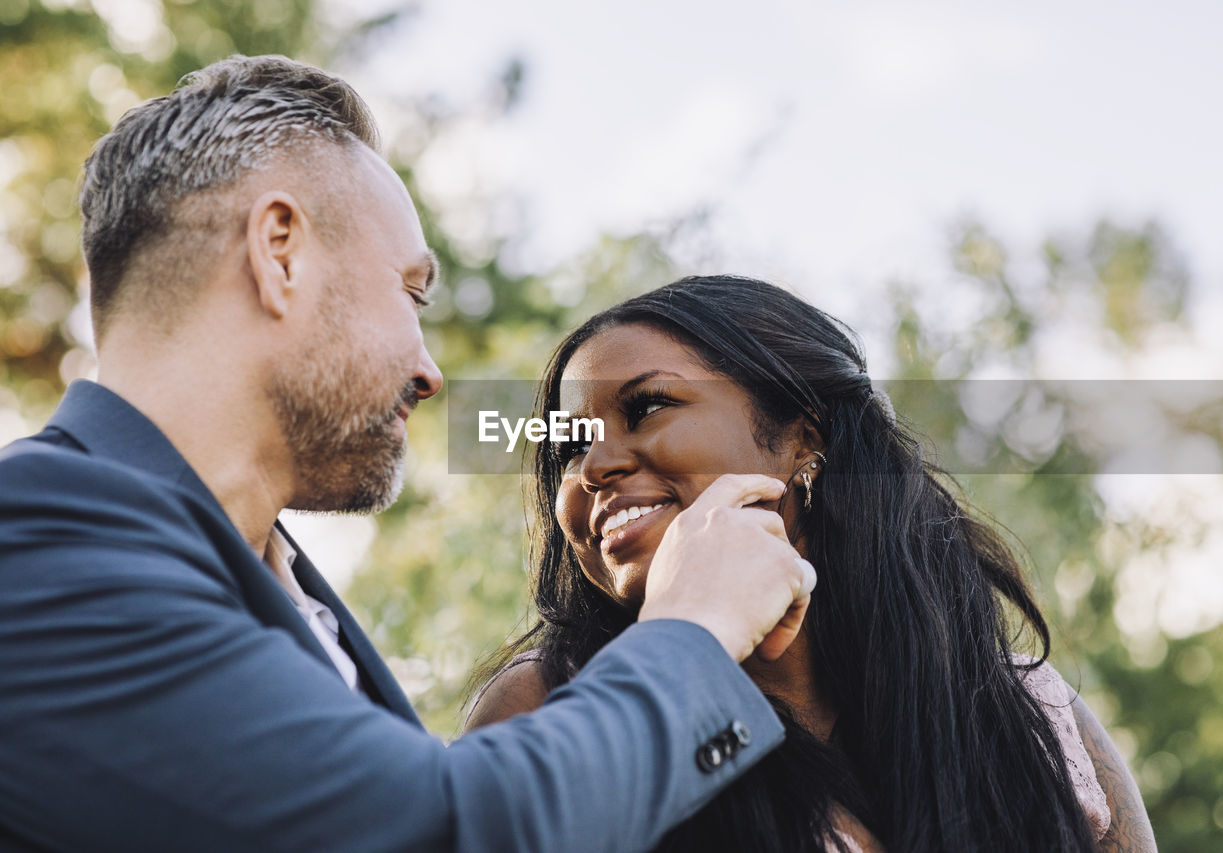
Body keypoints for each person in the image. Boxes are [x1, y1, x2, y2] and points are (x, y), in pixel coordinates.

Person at [0, 58, 820, 852]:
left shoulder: (269, 587)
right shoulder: (34, 541)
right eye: (410, 292)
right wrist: (697, 628)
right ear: (278, 251)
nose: (429, 370)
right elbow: (435, 830)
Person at [467, 275, 1160, 852]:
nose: (594, 467)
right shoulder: (544, 711)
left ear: (804, 439)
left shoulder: (1021, 710)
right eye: (568, 447)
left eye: (648, 406)